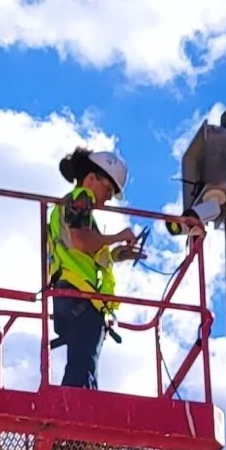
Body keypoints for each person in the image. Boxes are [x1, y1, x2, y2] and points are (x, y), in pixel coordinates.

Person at [47, 147, 141, 388]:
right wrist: (118, 236)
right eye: (107, 189)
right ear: (90, 178)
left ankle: (73, 407)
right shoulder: (81, 198)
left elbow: (84, 250)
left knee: (82, 365)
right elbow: (81, 241)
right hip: (79, 296)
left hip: (69, 295)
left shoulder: (70, 206)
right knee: (82, 369)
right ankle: (72, 410)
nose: (108, 198)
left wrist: (118, 254)